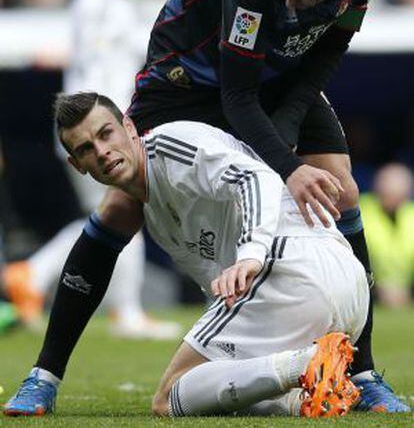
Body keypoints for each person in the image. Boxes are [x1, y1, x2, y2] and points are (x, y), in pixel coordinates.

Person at [3, 0, 409, 413]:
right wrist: (283, 164)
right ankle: (44, 376)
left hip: (281, 74)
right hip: (189, 76)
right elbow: (237, 97)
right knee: (119, 208)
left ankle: (362, 371)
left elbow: (328, 51)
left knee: (340, 189)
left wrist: (286, 142)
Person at [4, 92, 369, 417]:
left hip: (293, 267)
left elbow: (256, 179)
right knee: (220, 381)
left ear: (129, 128)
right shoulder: (155, 210)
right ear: (77, 166)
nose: (101, 152)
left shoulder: (169, 143)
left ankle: (304, 364)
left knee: (169, 397)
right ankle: (305, 393)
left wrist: (251, 255)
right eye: (85, 149)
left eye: (105, 134)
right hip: (340, 296)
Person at [2, 0, 180, 339]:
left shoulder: (112, 0)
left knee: (107, 213)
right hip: (95, 131)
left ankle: (30, 273)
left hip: (101, 129)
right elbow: (95, 72)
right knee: (124, 207)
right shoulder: (99, 0)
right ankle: (127, 311)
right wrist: (107, 130)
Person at [360, 163, 414, 307]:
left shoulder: (411, 213)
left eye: (399, 195)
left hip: (407, 292)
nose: (392, 199)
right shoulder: (361, 211)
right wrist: (378, 289)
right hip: (367, 291)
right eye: (388, 194)